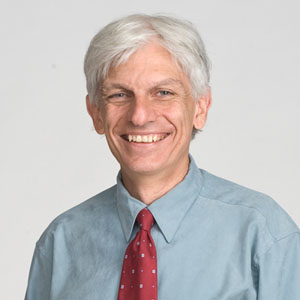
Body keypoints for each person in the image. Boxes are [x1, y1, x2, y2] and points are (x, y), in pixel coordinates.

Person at [25, 14, 300, 300]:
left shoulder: (264, 236)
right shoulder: (60, 243)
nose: (140, 116)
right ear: (95, 113)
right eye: (119, 95)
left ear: (200, 108)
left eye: (163, 92)